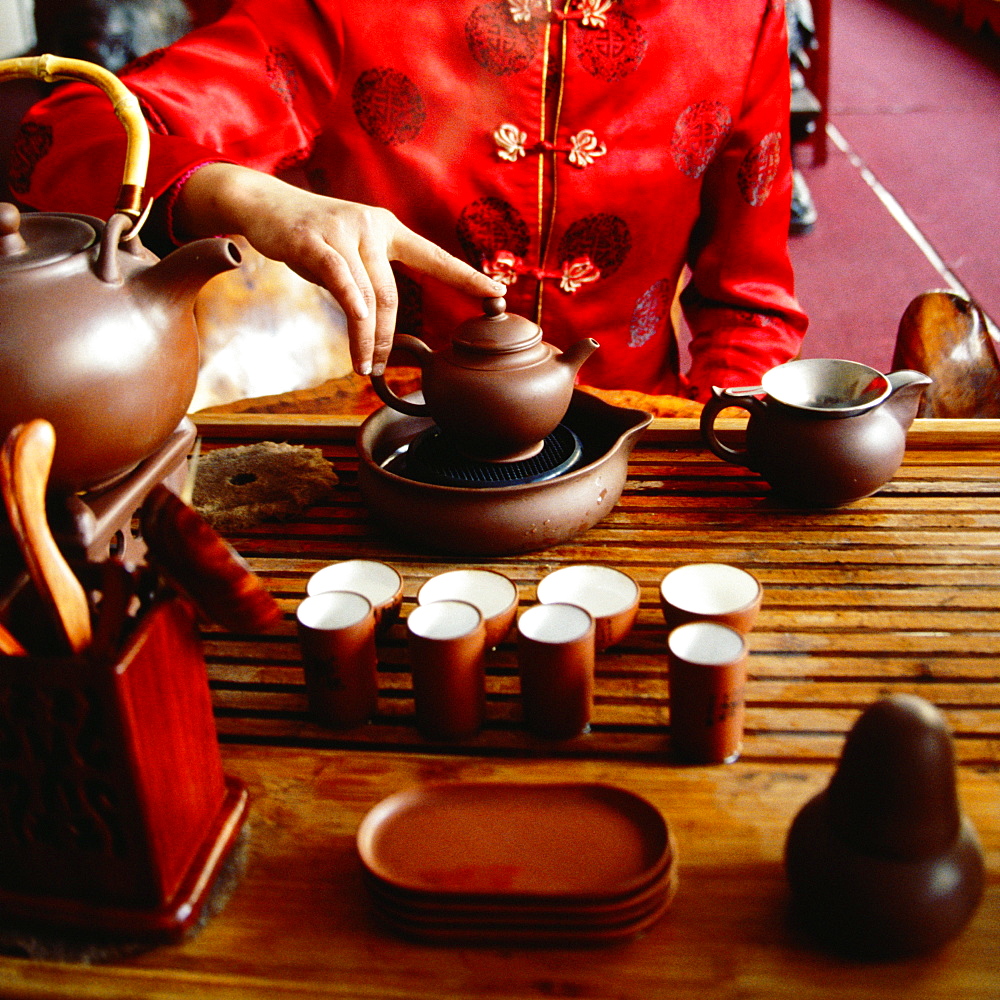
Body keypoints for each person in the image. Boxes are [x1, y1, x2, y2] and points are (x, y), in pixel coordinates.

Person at [8, 0, 808, 401]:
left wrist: (714, 447)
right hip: (388, 443)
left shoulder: (742, 17)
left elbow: (751, 308)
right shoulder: (352, 8)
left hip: (640, 437)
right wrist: (243, 194)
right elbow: (61, 135)